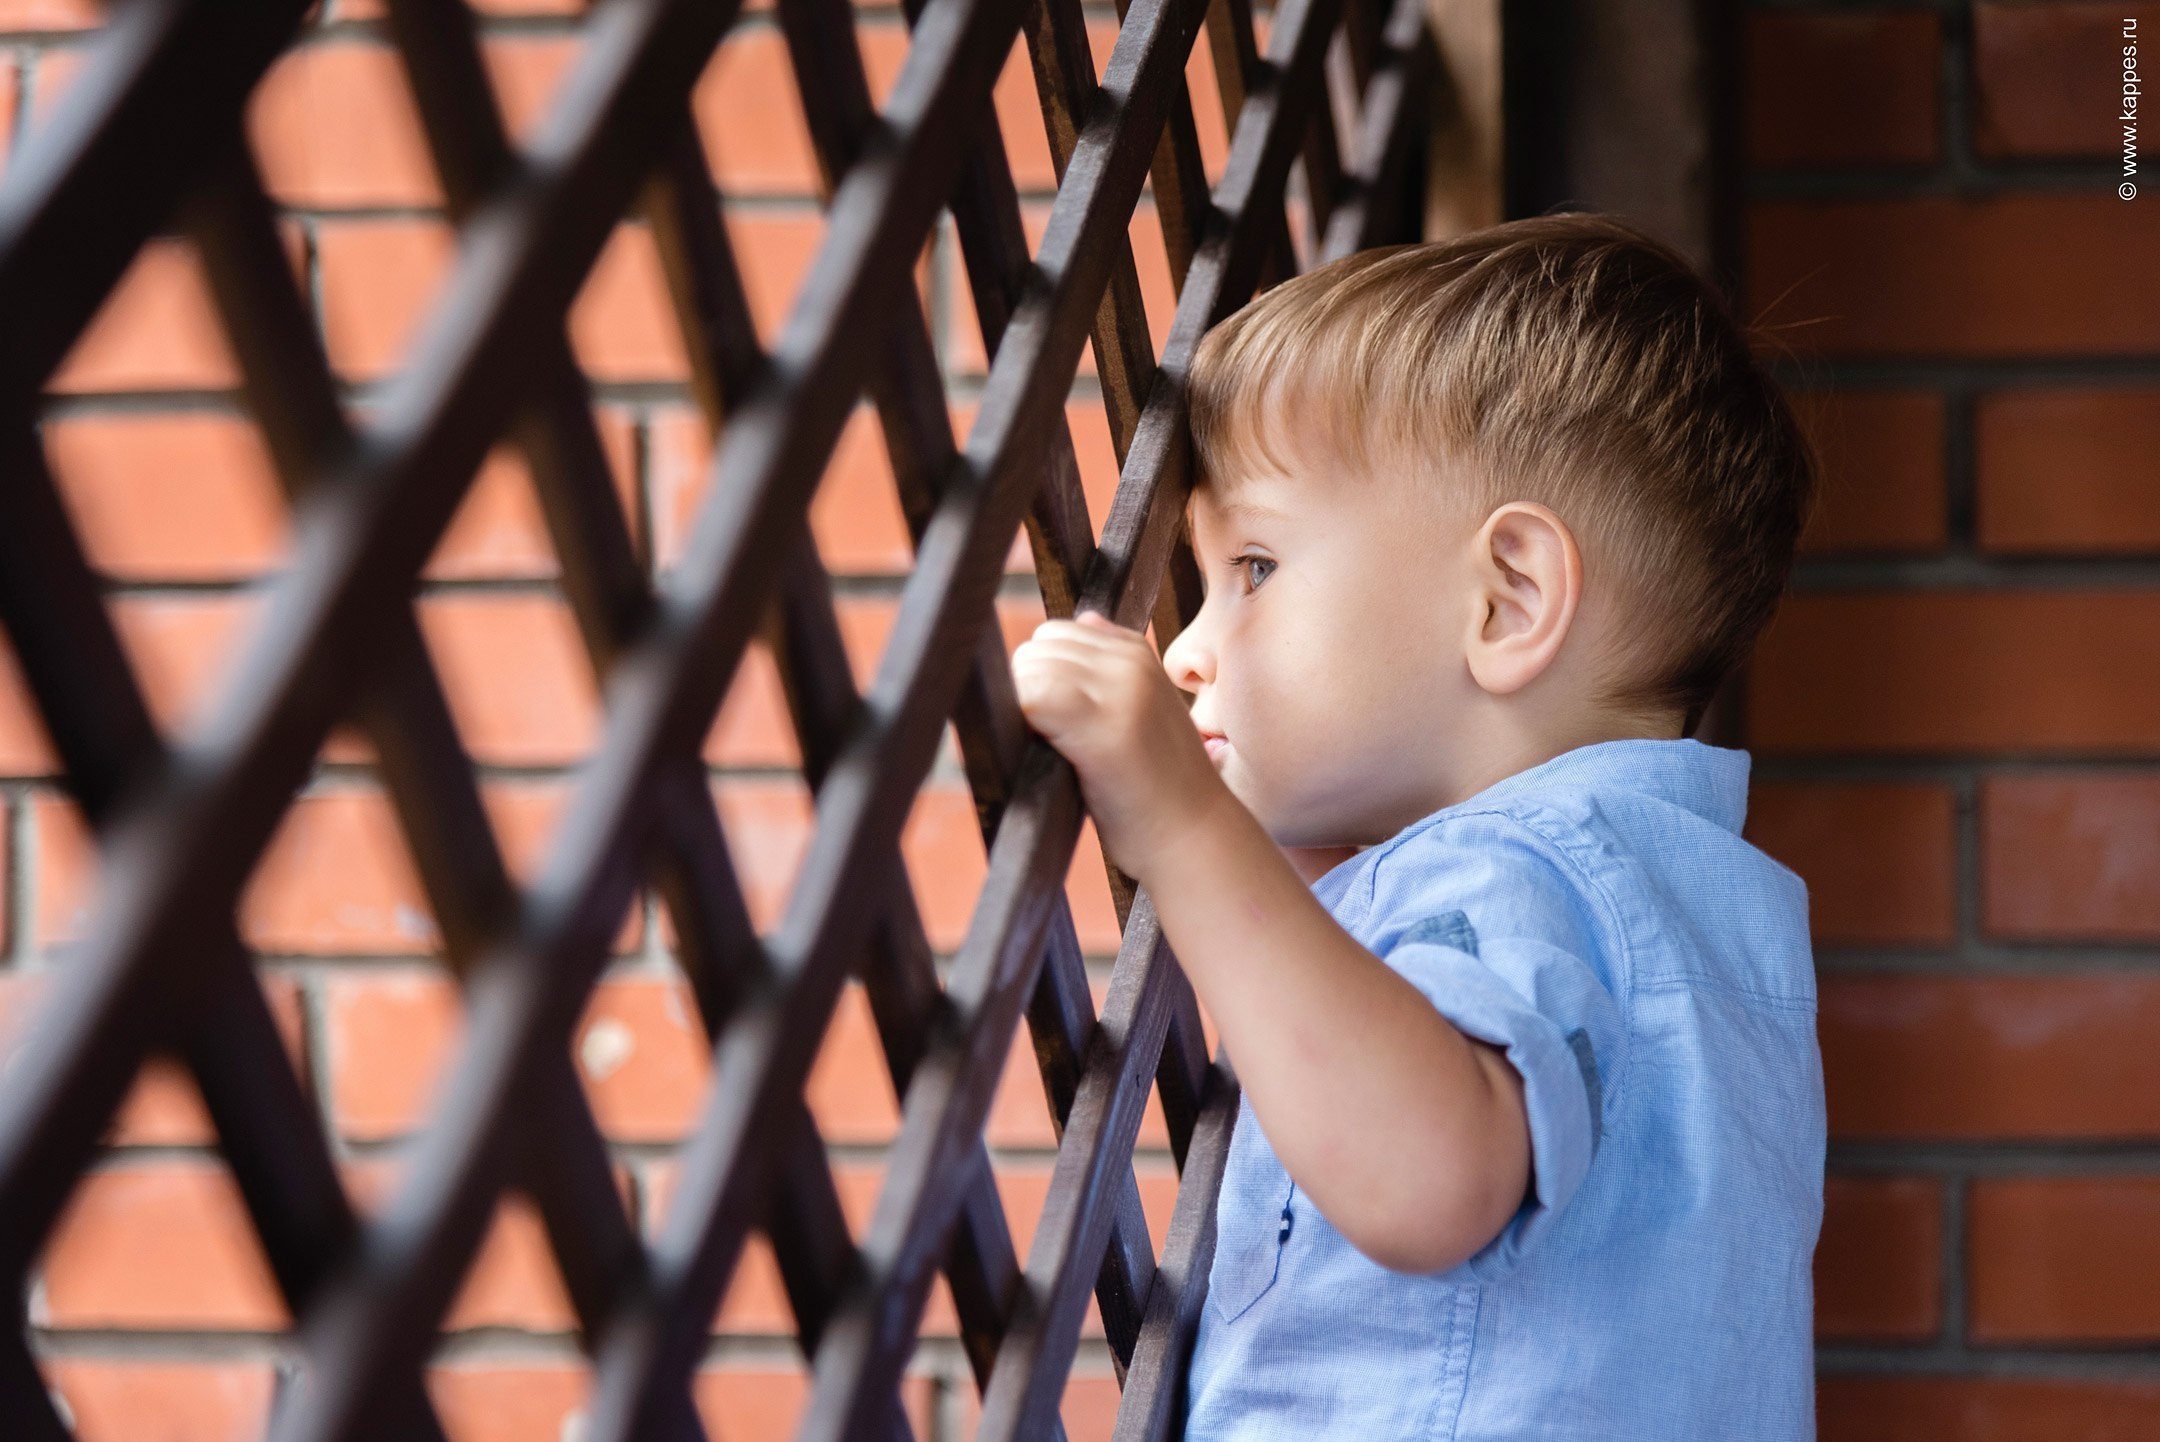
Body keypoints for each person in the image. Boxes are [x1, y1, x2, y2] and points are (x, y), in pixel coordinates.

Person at [1009, 212, 1826, 1439]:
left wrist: (1182, 823)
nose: (1184, 647)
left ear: (1508, 599)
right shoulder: (1699, 915)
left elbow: (1431, 1176)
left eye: (1257, 568)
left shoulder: (1519, 873)